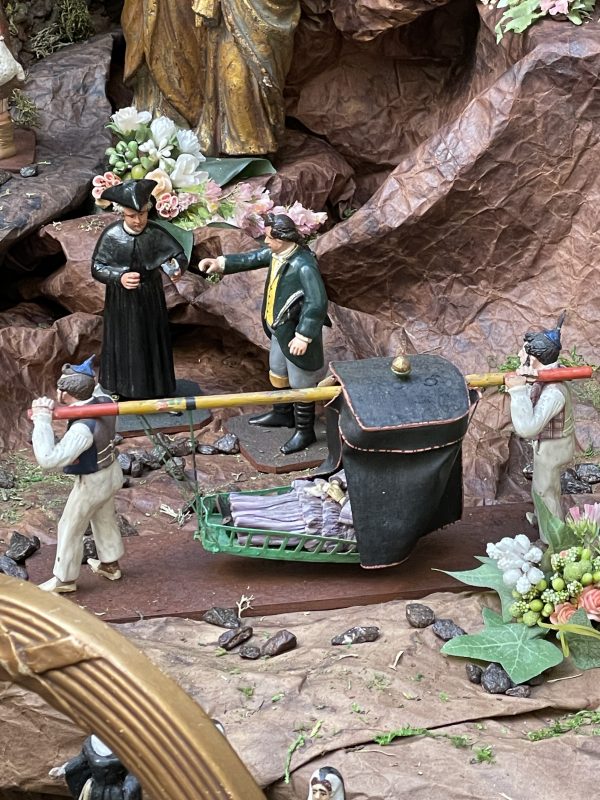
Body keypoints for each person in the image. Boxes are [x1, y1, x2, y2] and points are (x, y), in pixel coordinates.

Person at [199, 212, 330, 454]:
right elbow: (251, 258)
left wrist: (304, 335)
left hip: (296, 333)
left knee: (301, 382)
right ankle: (282, 413)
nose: (266, 242)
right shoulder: (276, 254)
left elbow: (317, 302)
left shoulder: (303, 265)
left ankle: (305, 430)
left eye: (270, 238)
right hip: (279, 328)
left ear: (284, 239)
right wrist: (221, 263)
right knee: (278, 371)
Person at [121, 0, 300, 155]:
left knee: (240, 75)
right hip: (217, 20)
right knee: (227, 70)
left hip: (249, 15)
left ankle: (253, 141)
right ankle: (217, 137)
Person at [31, 357, 125, 593]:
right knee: (103, 518)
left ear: (65, 393)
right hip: (111, 472)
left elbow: (48, 459)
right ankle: (110, 564)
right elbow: (95, 387)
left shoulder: (82, 430)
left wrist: (42, 419)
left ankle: (64, 579)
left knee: (69, 526)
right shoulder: (104, 400)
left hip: (93, 481)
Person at [91, 179, 189, 400]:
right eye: (132, 216)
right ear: (122, 214)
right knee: (124, 342)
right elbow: (97, 267)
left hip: (150, 297)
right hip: (121, 301)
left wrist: (176, 267)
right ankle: (119, 387)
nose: (138, 221)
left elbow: (177, 255)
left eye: (142, 214)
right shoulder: (112, 235)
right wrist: (119, 277)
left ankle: (157, 387)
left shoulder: (155, 233)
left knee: (151, 341)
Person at [505, 312, 575, 529]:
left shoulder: (553, 393)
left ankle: (553, 537)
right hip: (546, 444)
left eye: (523, 352)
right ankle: (542, 518)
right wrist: (526, 383)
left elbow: (527, 428)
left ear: (534, 359)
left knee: (546, 490)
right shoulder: (541, 379)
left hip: (554, 447)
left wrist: (518, 391)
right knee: (539, 486)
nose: (519, 356)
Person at [61, 734, 142, 799]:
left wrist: (129, 790)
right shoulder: (91, 742)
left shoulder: (124, 747)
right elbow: (81, 760)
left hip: (114, 792)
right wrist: (64, 769)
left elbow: (133, 772)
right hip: (94, 788)